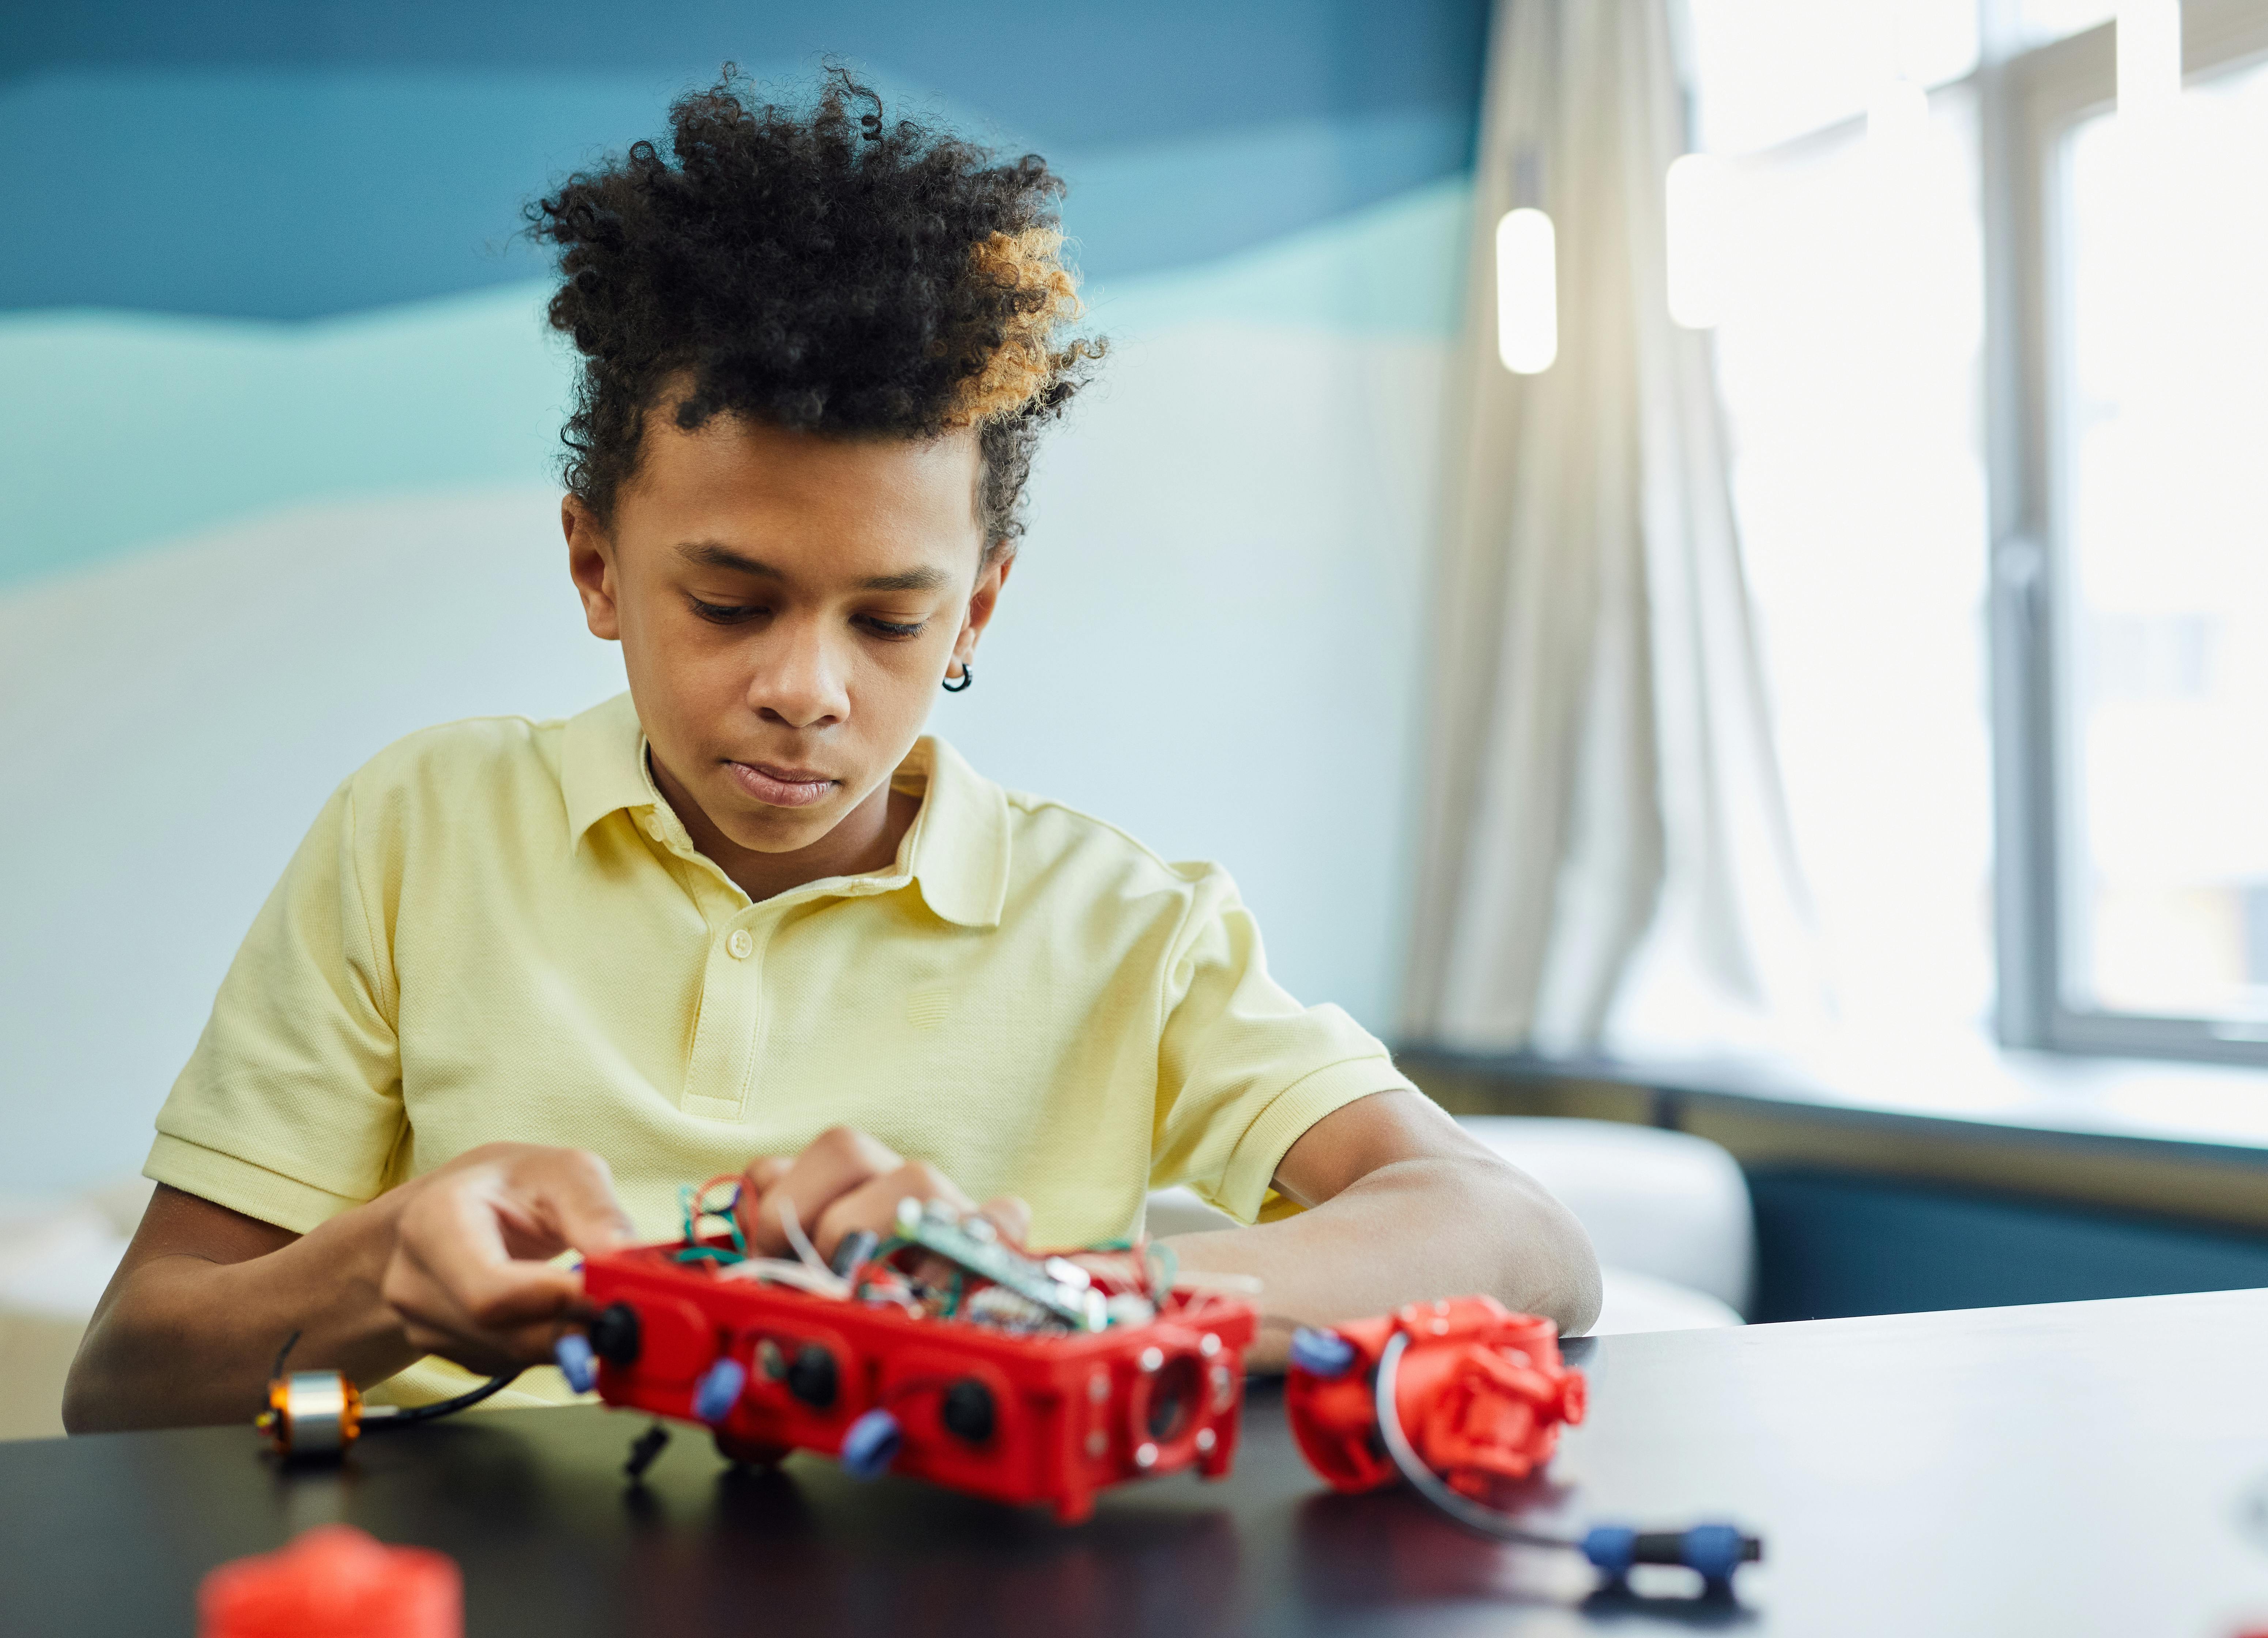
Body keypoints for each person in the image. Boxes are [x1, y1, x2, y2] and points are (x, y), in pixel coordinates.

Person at [63, 69, 1598, 1434]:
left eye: (887, 621)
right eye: (731, 602)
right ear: (596, 565)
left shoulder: (1127, 926)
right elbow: (126, 1376)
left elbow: (1523, 1240)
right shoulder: (420, 829)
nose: (807, 689)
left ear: (977, 607)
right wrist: (379, 1277)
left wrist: (1023, 1297)